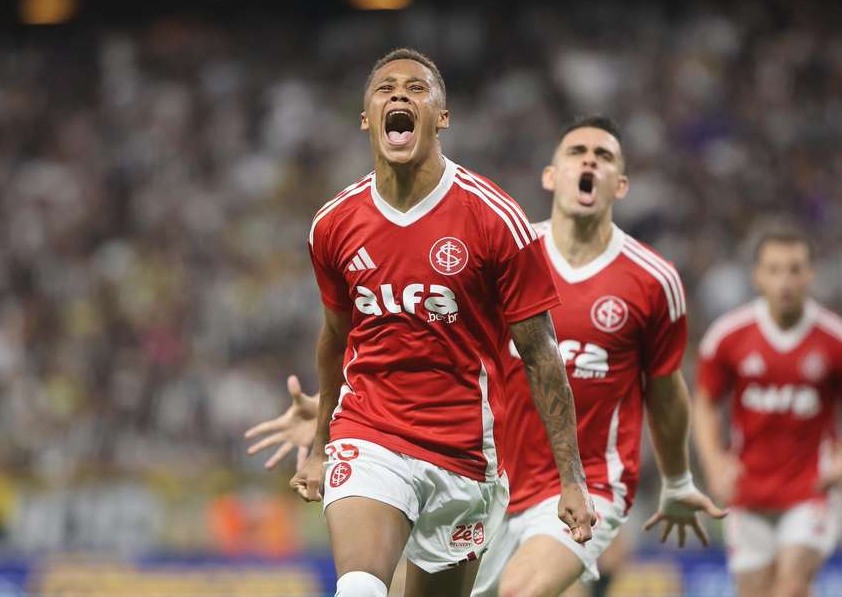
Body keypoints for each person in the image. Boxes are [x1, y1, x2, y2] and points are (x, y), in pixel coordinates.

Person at [248, 115, 725, 597]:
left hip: (585, 483)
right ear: (550, 175)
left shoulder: (652, 281)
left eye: (603, 157)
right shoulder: (505, 245)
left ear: (620, 184)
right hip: (486, 475)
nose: (589, 162)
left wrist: (677, 479)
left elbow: (665, 391)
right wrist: (334, 410)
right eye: (576, 152)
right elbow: (424, 340)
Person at [289, 47, 594, 597]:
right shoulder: (333, 224)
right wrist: (319, 445)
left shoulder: (495, 219)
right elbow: (336, 337)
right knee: (359, 588)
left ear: (442, 117)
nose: (399, 96)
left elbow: (542, 355)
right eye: (385, 89)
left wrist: (570, 479)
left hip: (465, 454)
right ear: (366, 118)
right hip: (370, 433)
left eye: (416, 88)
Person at [693, 223, 842, 597]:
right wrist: (713, 463)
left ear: (810, 273)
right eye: (774, 270)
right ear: (758, 276)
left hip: (811, 487)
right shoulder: (728, 336)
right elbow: (706, 402)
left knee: (791, 587)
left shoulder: (832, 338)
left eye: (795, 269)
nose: (785, 282)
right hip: (749, 489)